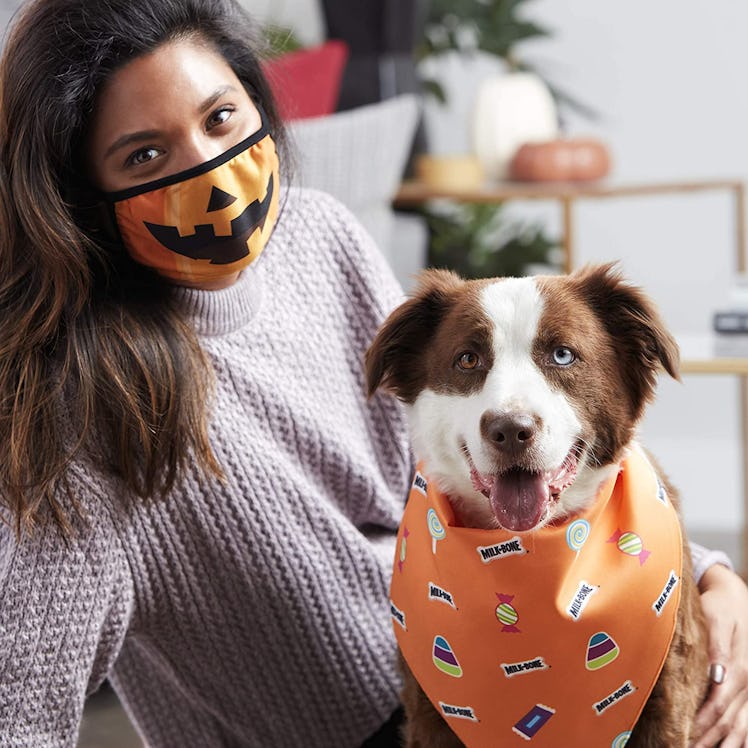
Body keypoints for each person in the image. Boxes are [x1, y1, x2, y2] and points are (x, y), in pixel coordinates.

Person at [0, 1, 745, 746]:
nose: (210, 171)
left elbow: (453, 465)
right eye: (145, 156)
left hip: (498, 664)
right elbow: (20, 709)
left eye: (220, 118)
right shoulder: (80, 414)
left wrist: (708, 575)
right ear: (78, 201)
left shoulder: (318, 235)